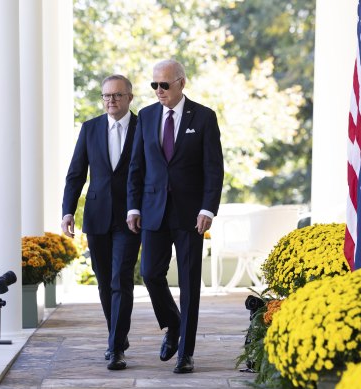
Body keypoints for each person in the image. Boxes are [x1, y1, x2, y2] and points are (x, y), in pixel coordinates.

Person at [126, 59, 224, 374]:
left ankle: (186, 353)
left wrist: (208, 208)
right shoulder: (146, 116)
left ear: (182, 82)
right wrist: (133, 206)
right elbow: (136, 167)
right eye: (154, 85)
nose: (158, 91)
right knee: (151, 273)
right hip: (153, 211)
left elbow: (214, 169)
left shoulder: (205, 118)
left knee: (190, 283)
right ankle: (174, 323)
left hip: (190, 215)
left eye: (164, 85)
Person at [62, 74, 141, 371]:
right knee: (105, 281)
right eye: (107, 96)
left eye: (118, 95)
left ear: (129, 98)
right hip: (96, 217)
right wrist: (67, 211)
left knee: (121, 278)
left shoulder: (142, 128)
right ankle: (117, 336)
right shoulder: (90, 128)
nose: (111, 100)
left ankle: (115, 347)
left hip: (131, 217)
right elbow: (76, 173)